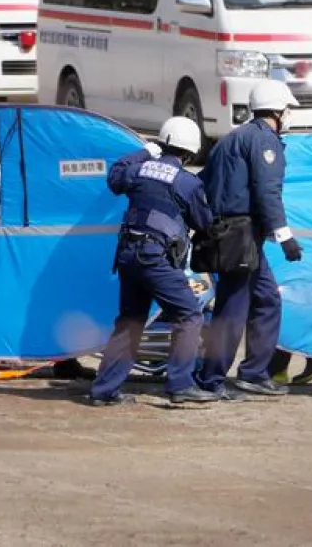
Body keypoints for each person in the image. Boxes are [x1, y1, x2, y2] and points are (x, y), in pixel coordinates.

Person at [88, 117, 218, 407]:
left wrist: (144, 151)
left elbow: (115, 176)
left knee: (130, 322)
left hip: (127, 255)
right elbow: (204, 222)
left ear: (162, 142)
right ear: (191, 152)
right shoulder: (187, 182)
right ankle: (181, 385)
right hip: (155, 259)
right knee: (189, 315)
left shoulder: (139, 170)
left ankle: (104, 390)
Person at [195, 79, 303, 399]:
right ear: (277, 111)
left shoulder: (230, 138)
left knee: (266, 300)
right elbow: (268, 191)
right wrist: (284, 236)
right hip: (240, 237)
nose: (290, 115)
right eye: (288, 109)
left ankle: (254, 373)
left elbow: (202, 182)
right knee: (233, 307)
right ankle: (211, 379)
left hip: (230, 235)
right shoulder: (264, 141)